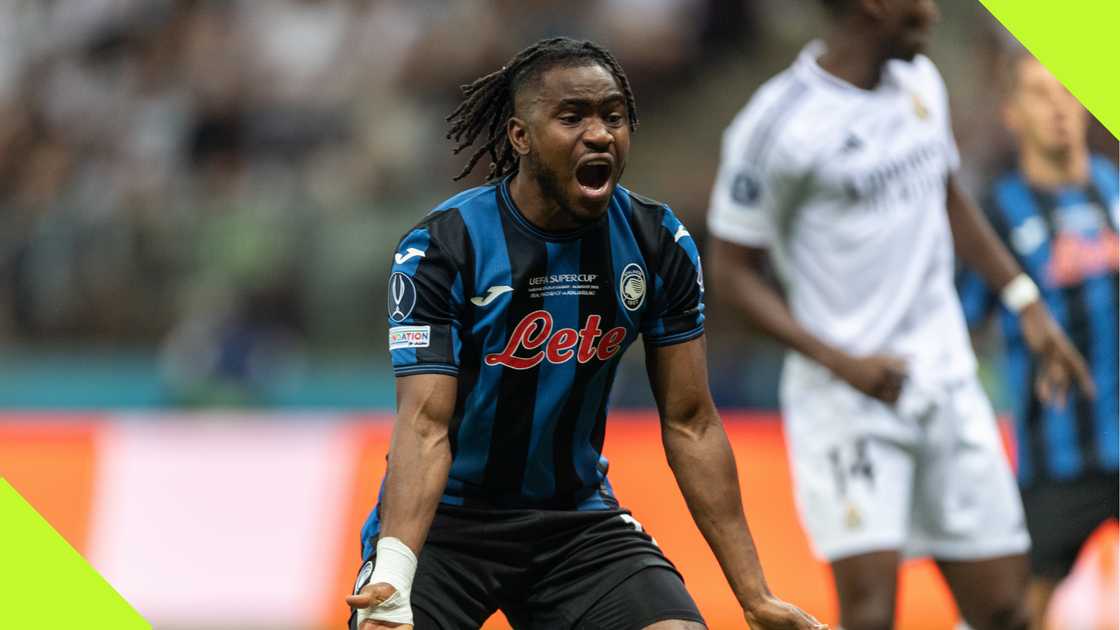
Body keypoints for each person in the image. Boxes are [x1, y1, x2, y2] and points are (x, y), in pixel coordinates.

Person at [345, 37, 824, 630]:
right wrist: (394, 568)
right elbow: (424, 424)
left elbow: (691, 421)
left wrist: (755, 596)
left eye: (613, 116)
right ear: (520, 136)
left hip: (575, 523)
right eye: (572, 117)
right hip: (446, 523)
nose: (599, 134)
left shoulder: (657, 242)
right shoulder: (444, 247)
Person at [705, 2, 1095, 629]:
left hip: (946, 382)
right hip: (849, 401)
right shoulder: (776, 125)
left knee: (1005, 608)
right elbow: (730, 275)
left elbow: (948, 199)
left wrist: (1023, 299)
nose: (935, 14)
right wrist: (841, 361)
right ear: (874, 6)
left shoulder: (921, 83)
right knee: (870, 614)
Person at [956, 50, 1119, 629]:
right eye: (1040, 94)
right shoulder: (997, 214)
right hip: (1057, 459)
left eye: (1068, 93)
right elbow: (957, 329)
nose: (1058, 109)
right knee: (1015, 613)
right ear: (1012, 113)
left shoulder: (1114, 188)